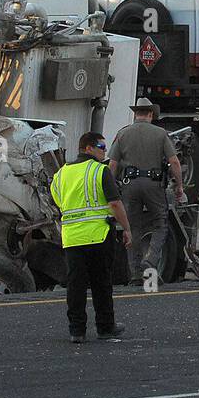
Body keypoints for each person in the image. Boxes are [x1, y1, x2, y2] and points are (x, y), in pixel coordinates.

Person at [51, 132, 132, 343]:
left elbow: (58, 202)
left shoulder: (60, 175)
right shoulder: (100, 170)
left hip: (72, 238)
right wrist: (126, 229)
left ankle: (76, 330)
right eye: (101, 146)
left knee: (76, 285)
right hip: (98, 235)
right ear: (87, 148)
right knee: (101, 283)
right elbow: (115, 203)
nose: (104, 150)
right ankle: (105, 327)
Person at [108, 98, 185, 285]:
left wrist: (110, 189)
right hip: (154, 185)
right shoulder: (160, 134)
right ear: (150, 114)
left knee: (131, 228)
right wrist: (179, 186)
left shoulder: (123, 134)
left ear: (136, 114)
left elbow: (112, 164)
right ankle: (149, 260)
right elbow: (174, 162)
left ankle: (135, 275)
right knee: (160, 225)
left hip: (129, 186)